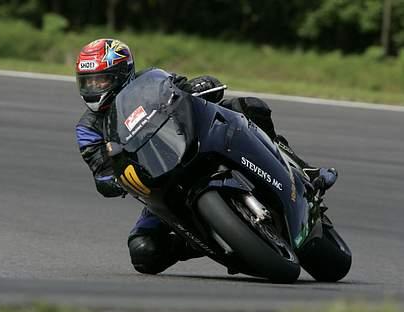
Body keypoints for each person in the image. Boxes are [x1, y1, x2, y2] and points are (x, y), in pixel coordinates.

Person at [75, 38, 338, 274]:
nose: (93, 88)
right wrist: (115, 180)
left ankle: (303, 169)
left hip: (195, 145)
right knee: (144, 252)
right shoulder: (88, 128)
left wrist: (201, 85)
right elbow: (101, 171)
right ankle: (206, 239)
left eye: (101, 80)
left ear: (122, 74)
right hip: (158, 181)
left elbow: (185, 91)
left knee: (249, 107)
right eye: (87, 82)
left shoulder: (151, 82)